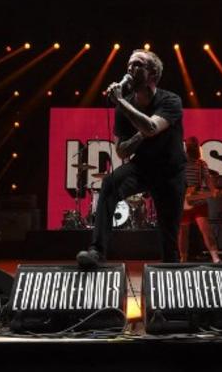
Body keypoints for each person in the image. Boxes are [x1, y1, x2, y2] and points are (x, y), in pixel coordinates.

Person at [76, 49, 186, 267]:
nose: (130, 68)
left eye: (138, 65)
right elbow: (122, 151)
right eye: (129, 64)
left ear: (153, 74)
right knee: (109, 183)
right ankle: (96, 251)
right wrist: (139, 132)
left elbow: (153, 127)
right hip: (142, 167)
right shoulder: (124, 106)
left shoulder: (171, 100)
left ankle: (171, 271)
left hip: (171, 172)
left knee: (169, 235)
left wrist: (121, 104)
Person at [178, 136, 221, 263]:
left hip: (199, 202)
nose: (192, 148)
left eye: (194, 145)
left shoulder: (201, 163)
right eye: (190, 145)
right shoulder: (179, 162)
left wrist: (213, 190)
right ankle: (183, 258)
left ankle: (215, 257)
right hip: (183, 202)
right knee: (183, 233)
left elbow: (207, 178)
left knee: (205, 229)